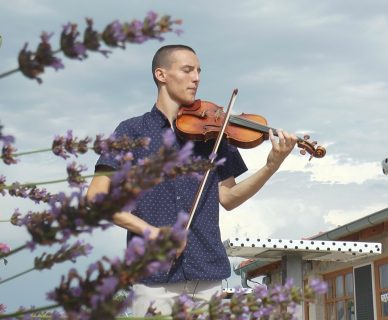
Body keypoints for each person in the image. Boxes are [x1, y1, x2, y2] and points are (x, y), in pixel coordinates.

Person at [86, 44, 297, 316]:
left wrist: (272, 164)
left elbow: (229, 198)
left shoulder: (216, 133)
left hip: (206, 276)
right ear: (161, 75)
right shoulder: (130, 131)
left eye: (198, 71)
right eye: (187, 70)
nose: (196, 78)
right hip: (152, 280)